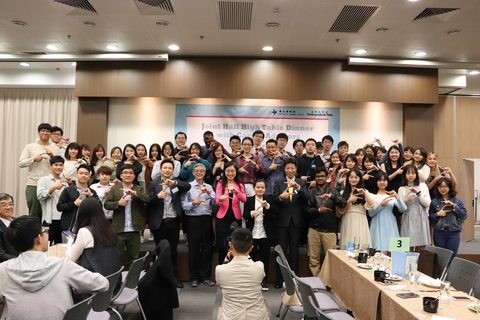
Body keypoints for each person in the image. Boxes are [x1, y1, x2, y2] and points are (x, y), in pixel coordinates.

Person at [0, 215, 108, 320]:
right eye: (44, 232)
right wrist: (76, 287)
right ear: (39, 239)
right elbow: (103, 284)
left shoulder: (3, 270)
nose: (47, 234)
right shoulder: (62, 265)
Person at [65, 198, 121, 300]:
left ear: (82, 213)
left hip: (97, 287)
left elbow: (71, 257)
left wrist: (70, 241)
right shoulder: (109, 228)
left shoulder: (85, 231)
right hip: (114, 284)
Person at [148, 159, 191, 288]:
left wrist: (175, 182)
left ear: (173, 170)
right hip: (159, 222)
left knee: (173, 251)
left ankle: (174, 277)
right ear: (160, 169)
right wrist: (158, 196)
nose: (167, 170)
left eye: (169, 168)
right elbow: (148, 201)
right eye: (165, 168)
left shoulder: (176, 183)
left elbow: (187, 186)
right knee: (160, 251)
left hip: (173, 221)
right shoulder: (153, 183)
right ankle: (159, 278)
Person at [215, 227, 271, 320]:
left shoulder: (220, 270)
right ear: (251, 248)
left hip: (231, 317)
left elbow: (220, 284)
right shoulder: (259, 267)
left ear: (231, 246)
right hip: (257, 317)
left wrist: (226, 261)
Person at [105, 164, 150, 268]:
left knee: (134, 259)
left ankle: (132, 284)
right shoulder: (115, 189)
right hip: (119, 230)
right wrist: (118, 204)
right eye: (125, 173)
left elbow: (147, 200)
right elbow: (107, 204)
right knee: (117, 258)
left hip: (134, 230)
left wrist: (135, 194)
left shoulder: (138, 189)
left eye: (131, 173)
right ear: (121, 175)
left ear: (134, 176)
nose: (128, 175)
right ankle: (117, 283)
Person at [273, 157, 308, 287]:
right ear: (284, 169)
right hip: (282, 221)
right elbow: (274, 200)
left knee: (294, 252)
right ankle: (280, 279)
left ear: (296, 169)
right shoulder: (279, 182)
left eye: (292, 168)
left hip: (296, 221)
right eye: (288, 168)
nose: (290, 170)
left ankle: (294, 279)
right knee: (281, 252)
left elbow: (306, 197)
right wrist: (281, 198)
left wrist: (298, 187)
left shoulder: (300, 183)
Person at [305, 167, 346, 277]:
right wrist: (318, 210)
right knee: (313, 259)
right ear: (315, 178)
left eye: (322, 176)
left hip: (330, 230)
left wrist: (332, 197)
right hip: (314, 229)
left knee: (331, 259)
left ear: (327, 177)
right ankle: (317, 282)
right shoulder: (311, 192)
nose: (320, 178)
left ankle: (327, 282)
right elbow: (306, 210)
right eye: (318, 176)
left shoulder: (333, 191)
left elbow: (343, 203)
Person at [181, 163, 216, 287]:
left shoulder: (209, 187)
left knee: (207, 248)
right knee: (194, 249)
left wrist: (210, 193)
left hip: (206, 219)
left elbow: (216, 201)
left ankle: (205, 277)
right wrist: (193, 203)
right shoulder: (188, 187)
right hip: (192, 220)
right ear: (193, 173)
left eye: (202, 171)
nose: (199, 173)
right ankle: (194, 278)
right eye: (197, 171)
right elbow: (183, 206)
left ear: (205, 173)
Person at [18, 123, 60, 219]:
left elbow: (60, 166)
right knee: (34, 213)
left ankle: (47, 234)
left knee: (50, 214)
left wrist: (53, 157)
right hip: (33, 183)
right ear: (38, 132)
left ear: (50, 134)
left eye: (47, 131)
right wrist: (33, 159)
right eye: (43, 130)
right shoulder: (30, 147)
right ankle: (33, 234)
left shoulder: (56, 148)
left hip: (51, 184)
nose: (45, 133)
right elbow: (20, 163)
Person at [243, 180, 275, 290]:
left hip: (265, 234)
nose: (260, 189)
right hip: (252, 234)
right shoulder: (249, 200)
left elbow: (276, 212)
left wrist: (267, 206)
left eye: (262, 187)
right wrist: (252, 213)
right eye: (258, 187)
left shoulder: (269, 199)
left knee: (264, 259)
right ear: (254, 188)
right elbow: (245, 215)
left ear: (265, 189)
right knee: (251, 258)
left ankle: (263, 281)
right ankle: (251, 282)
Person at [215, 162, 247, 265]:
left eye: (232, 171)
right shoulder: (220, 184)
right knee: (222, 246)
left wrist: (237, 192)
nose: (230, 173)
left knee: (235, 246)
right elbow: (216, 201)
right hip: (222, 219)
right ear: (224, 172)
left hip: (235, 218)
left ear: (236, 172)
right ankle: (221, 271)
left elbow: (244, 199)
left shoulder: (240, 184)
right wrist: (221, 198)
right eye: (228, 171)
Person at [428, 177, 467, 258]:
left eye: (445, 186)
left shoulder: (458, 201)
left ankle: (450, 271)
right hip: (439, 232)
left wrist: (453, 206)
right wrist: (438, 214)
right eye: (440, 187)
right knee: (441, 257)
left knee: (452, 256)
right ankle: (442, 271)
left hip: (454, 232)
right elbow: (430, 217)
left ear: (450, 187)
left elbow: (464, 216)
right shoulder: (434, 201)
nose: (442, 189)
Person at [338, 168, 375, 250]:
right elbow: (341, 211)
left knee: (360, 245)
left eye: (356, 177)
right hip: (348, 220)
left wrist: (365, 193)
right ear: (347, 178)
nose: (353, 179)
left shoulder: (365, 191)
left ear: (360, 179)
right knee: (347, 246)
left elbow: (373, 206)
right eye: (351, 177)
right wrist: (350, 201)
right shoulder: (342, 193)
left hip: (361, 220)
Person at [368, 171, 406, 251]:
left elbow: (403, 208)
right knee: (377, 250)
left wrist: (397, 196)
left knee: (392, 250)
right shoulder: (372, 196)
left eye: (384, 180)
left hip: (390, 224)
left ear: (388, 182)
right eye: (380, 180)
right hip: (376, 224)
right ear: (376, 182)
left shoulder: (391, 196)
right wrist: (381, 205)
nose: (382, 182)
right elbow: (370, 213)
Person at [397, 164, 431, 249]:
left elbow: (427, 204)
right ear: (405, 175)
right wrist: (404, 201)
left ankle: (421, 262)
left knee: (422, 243)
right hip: (408, 216)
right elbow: (400, 210)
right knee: (407, 243)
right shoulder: (401, 189)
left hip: (421, 216)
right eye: (408, 173)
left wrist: (418, 194)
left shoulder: (423, 186)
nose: (411, 175)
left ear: (417, 174)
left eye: (413, 173)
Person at [57, 164, 98, 233]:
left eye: (86, 174)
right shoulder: (68, 190)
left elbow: (98, 207)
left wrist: (91, 195)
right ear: (76, 175)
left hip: (87, 228)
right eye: (81, 173)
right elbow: (59, 207)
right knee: (67, 244)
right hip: (69, 227)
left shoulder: (92, 192)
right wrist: (74, 204)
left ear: (89, 176)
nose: (83, 175)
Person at [37, 155, 67, 244]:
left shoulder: (65, 181)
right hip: (50, 218)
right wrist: (53, 188)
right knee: (47, 244)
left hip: (64, 218)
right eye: (56, 165)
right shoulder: (43, 180)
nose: (58, 167)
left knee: (61, 245)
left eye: (61, 165)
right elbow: (40, 196)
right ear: (51, 166)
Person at [0, 193, 18, 262]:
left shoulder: (18, 221)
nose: (8, 207)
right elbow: (1, 254)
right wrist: (19, 260)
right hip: (6, 266)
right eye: (3, 205)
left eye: (10, 204)